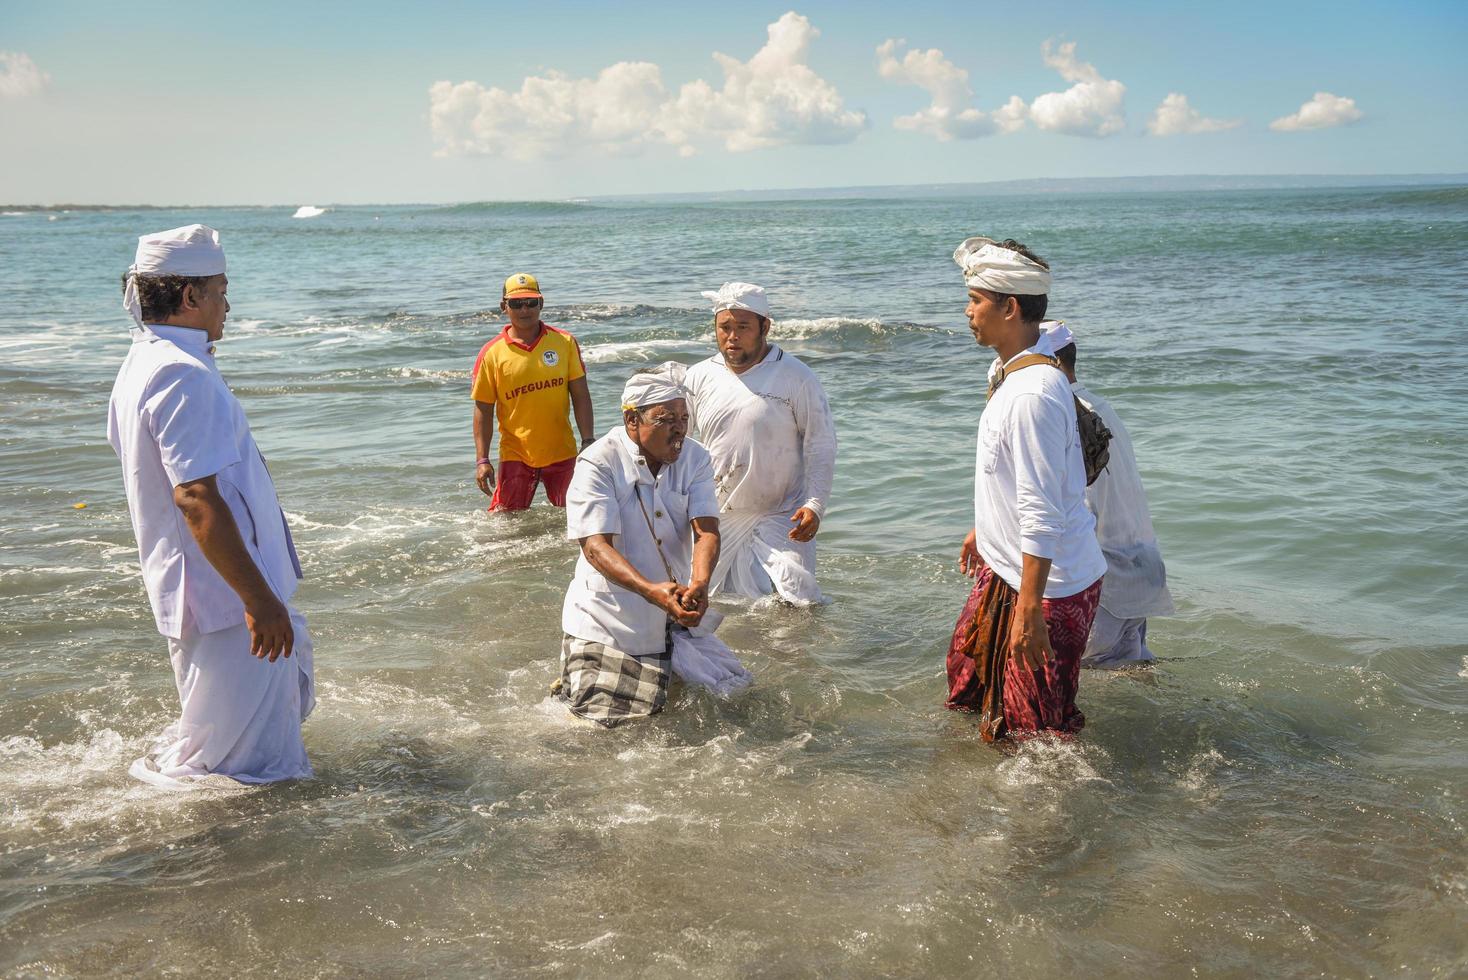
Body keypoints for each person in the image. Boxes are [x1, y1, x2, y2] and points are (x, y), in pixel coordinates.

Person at [107, 224, 314, 787]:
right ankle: (219, 858)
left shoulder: (149, 361)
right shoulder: (179, 372)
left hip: (216, 596)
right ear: (191, 296)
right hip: (225, 602)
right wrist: (258, 600)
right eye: (222, 289)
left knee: (239, 744)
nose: (229, 302)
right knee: (243, 770)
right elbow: (195, 498)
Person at [945, 237, 1107, 741]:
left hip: (1047, 586)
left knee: (1035, 734)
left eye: (975, 300)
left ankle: (1047, 817)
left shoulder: (1032, 393)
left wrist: (1031, 610)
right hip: (1009, 567)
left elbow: (1041, 508)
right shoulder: (1012, 374)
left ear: (1009, 308)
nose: (967, 311)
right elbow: (1015, 475)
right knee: (968, 685)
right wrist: (985, 528)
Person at [557, 372, 724, 725]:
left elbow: (706, 530)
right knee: (601, 725)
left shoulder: (695, 458)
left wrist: (700, 584)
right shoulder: (597, 462)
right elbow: (595, 548)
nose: (679, 430)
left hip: (671, 613)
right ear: (632, 420)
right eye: (666, 420)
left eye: (684, 419)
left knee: (731, 700)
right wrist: (651, 591)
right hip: (607, 619)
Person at [679, 282, 836, 604]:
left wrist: (815, 504)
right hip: (716, 516)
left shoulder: (796, 376)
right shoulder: (698, 377)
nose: (732, 336)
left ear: (765, 326)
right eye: (724, 327)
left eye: (743, 327)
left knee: (797, 601)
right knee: (714, 605)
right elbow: (679, 444)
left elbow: (820, 442)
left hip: (782, 515)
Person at [1054, 339, 1174, 666]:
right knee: (1136, 670)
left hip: (1106, 577)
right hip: (1142, 564)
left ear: (1051, 364)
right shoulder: (1101, 406)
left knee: (1091, 677)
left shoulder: (1066, 415)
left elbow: (1075, 506)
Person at [471, 273, 595, 511]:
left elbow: (581, 395)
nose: (524, 309)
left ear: (542, 303)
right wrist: (482, 460)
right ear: (504, 306)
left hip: (562, 452)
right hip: (515, 454)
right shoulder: (491, 353)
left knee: (579, 514)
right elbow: (483, 410)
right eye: (516, 304)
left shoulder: (564, 342)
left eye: (531, 302)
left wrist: (588, 440)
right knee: (506, 523)